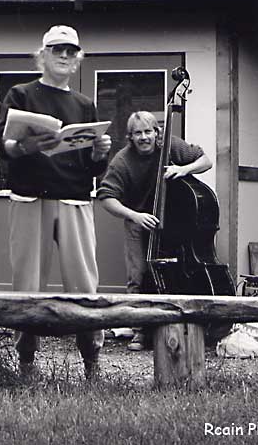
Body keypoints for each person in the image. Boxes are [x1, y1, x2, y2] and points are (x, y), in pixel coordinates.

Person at [0, 25, 111, 379]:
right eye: (57, 50)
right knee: (27, 284)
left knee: (84, 284)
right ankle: (26, 361)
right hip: (30, 198)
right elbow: (5, 146)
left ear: (78, 60)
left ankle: (92, 360)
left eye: (71, 51)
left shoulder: (84, 104)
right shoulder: (20, 94)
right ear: (42, 55)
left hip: (75, 199)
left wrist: (100, 152)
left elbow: (94, 165)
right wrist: (28, 145)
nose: (64, 56)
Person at [97, 111, 212, 351]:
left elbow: (206, 161)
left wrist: (184, 169)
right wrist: (134, 215)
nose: (144, 137)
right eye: (137, 133)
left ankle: (178, 326)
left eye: (148, 131)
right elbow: (106, 197)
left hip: (172, 220)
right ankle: (140, 331)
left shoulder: (170, 144)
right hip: (138, 220)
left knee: (175, 270)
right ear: (130, 137)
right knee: (138, 274)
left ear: (157, 132)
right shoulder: (122, 160)